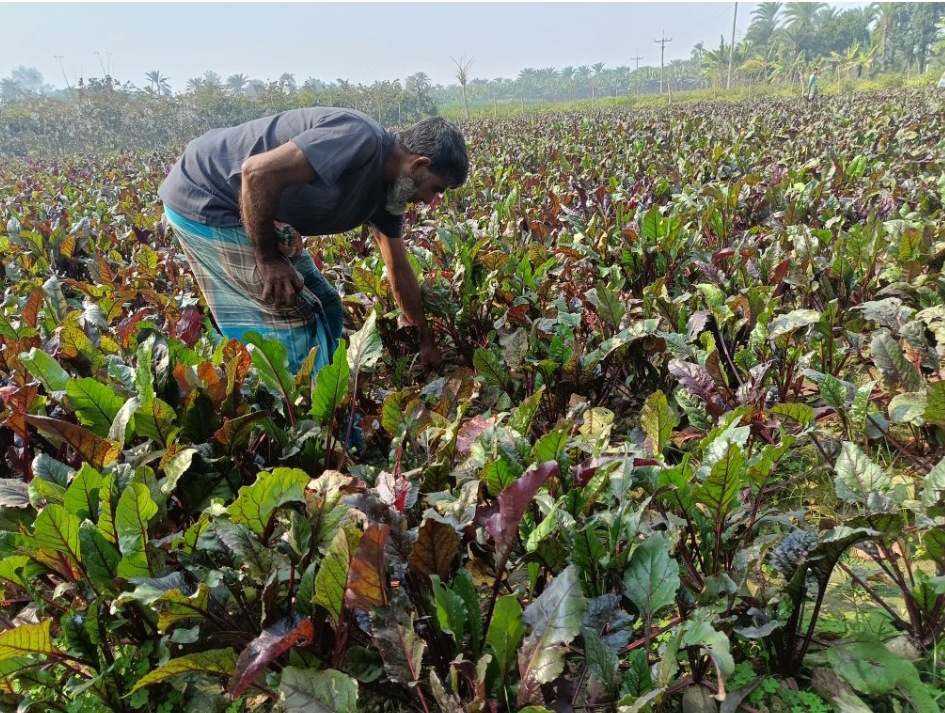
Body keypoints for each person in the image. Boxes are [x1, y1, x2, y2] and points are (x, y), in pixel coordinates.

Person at [158, 108, 468, 374]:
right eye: (436, 188)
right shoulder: (358, 137)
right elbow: (255, 174)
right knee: (292, 317)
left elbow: (398, 270)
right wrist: (268, 259)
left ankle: (328, 396)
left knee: (328, 304)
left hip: (247, 201)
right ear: (418, 165)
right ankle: (294, 414)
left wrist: (425, 340)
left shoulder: (390, 195)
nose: (430, 201)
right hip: (207, 194)